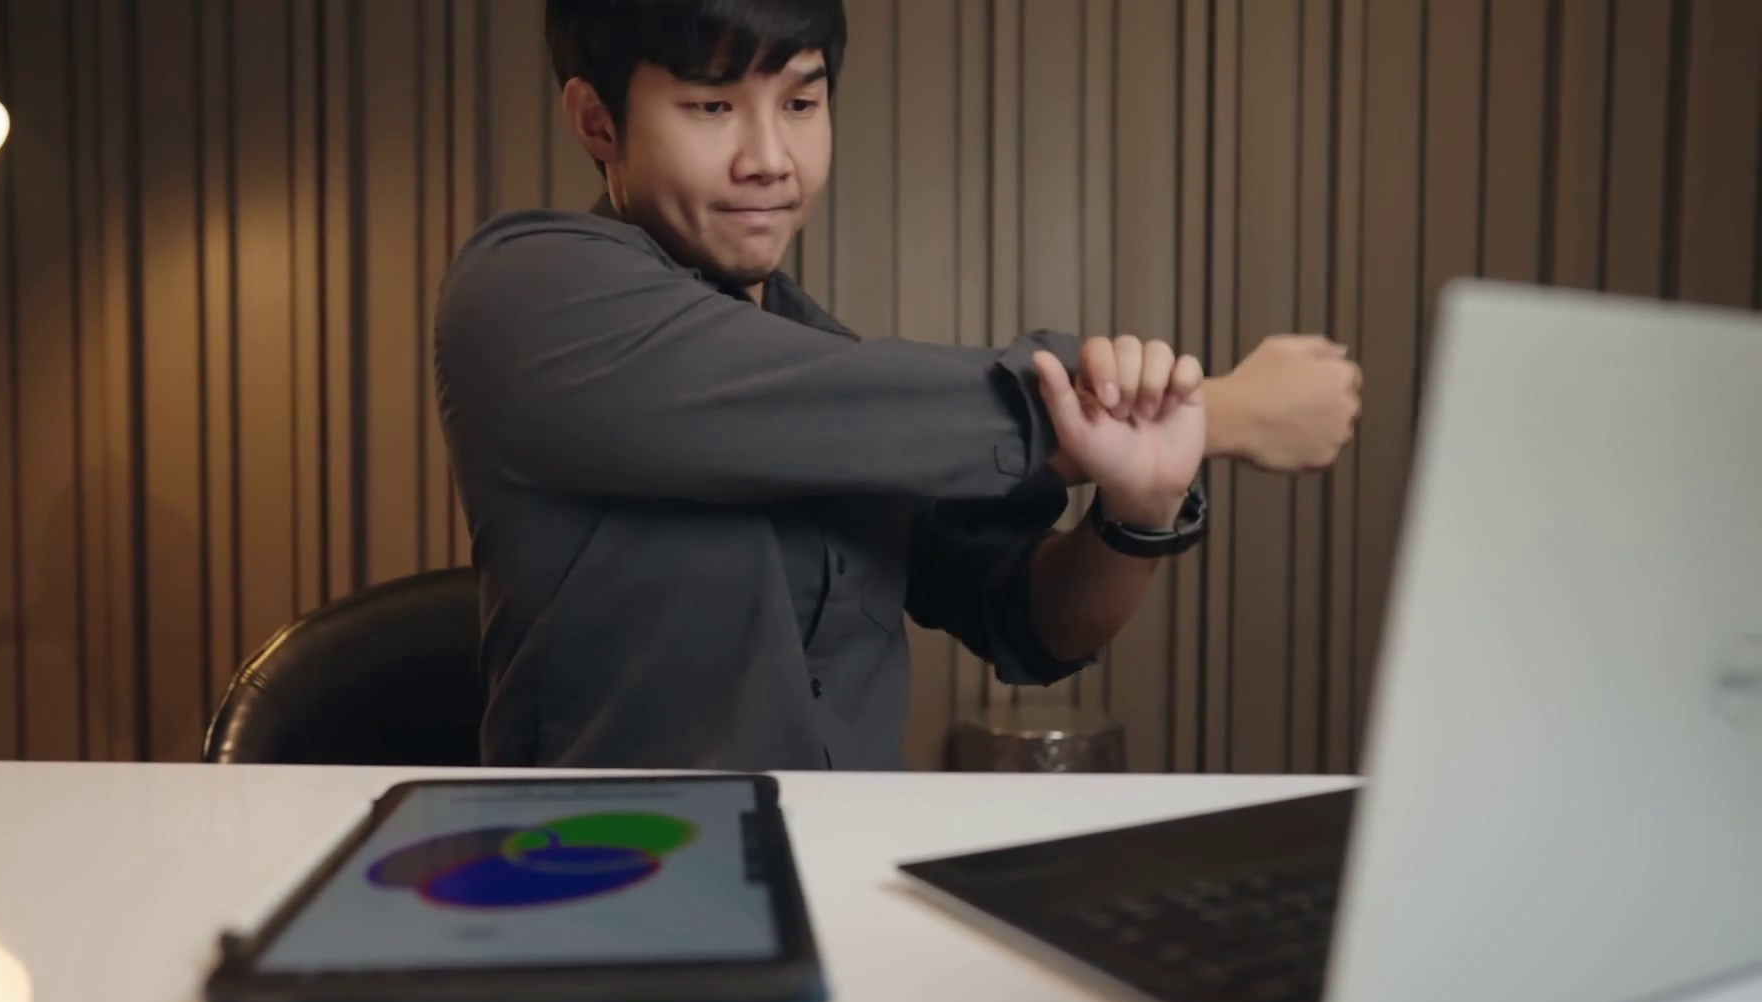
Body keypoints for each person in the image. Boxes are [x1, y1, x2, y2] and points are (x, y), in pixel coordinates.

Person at [432, 0, 1361, 770]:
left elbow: (1031, 622)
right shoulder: (526, 292)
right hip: (614, 880)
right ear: (596, 120)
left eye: (802, 102)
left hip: (849, 882)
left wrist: (1141, 508)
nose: (770, 158)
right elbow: (828, 413)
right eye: (711, 106)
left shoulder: (829, 360)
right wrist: (1223, 412)